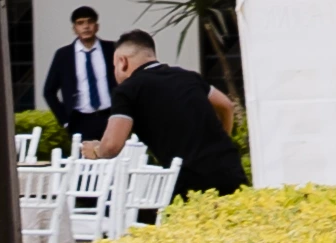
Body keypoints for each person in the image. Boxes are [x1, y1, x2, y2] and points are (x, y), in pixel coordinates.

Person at [90, 30, 248, 197]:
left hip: (191, 182)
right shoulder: (189, 77)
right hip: (230, 168)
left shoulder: (127, 90)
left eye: (114, 66)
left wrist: (96, 151)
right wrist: (222, 140)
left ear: (122, 62)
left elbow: (112, 146)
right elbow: (226, 105)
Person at [41, 6, 118, 141]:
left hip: (110, 116)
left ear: (97, 26)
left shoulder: (112, 49)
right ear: (74, 29)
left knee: (115, 159)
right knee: (84, 161)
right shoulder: (64, 55)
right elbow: (49, 91)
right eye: (80, 23)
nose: (86, 27)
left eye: (90, 22)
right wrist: (65, 120)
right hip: (80, 120)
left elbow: (127, 80)